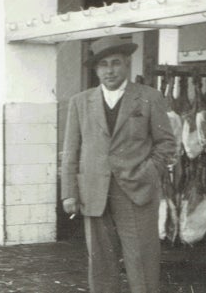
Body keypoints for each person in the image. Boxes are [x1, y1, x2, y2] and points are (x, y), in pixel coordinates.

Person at [61, 35, 176, 293]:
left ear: (127, 65)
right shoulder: (80, 102)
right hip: (93, 190)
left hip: (137, 190)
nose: (109, 70)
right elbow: (71, 150)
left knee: (142, 259)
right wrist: (69, 192)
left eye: (115, 63)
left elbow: (167, 143)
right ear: (96, 69)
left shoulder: (149, 97)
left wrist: (148, 171)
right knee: (100, 260)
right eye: (103, 65)